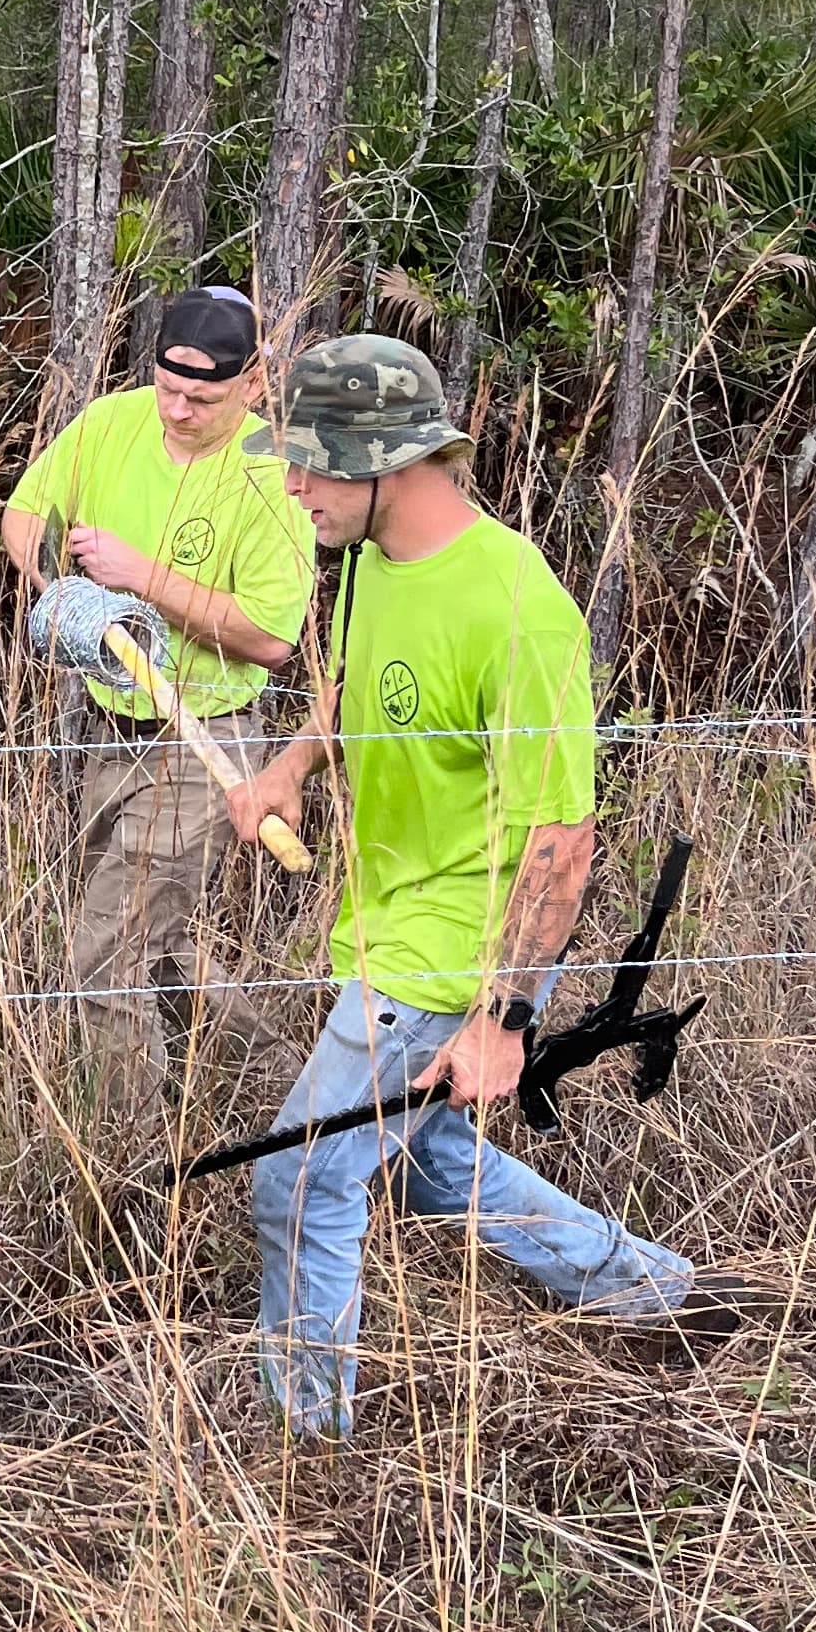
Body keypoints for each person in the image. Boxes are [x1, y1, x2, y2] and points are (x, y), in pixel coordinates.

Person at [220, 333, 727, 1436]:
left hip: (455, 952)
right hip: (386, 926)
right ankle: (665, 1294)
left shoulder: (516, 608)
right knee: (428, 1164)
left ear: (393, 463)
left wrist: (500, 1019)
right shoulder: (362, 564)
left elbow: (564, 839)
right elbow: (350, 682)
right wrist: (296, 764)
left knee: (300, 1183)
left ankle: (305, 1451)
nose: (292, 484)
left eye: (312, 463)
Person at [1, 284, 319, 1127]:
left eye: (202, 399)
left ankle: (122, 1168)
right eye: (166, 388)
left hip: (203, 742)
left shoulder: (275, 475)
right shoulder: (112, 422)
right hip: (109, 732)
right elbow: (24, 515)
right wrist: (63, 594)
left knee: (103, 959)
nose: (176, 410)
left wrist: (142, 579)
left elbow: (268, 639)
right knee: (164, 955)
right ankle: (295, 1093)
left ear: (253, 383)